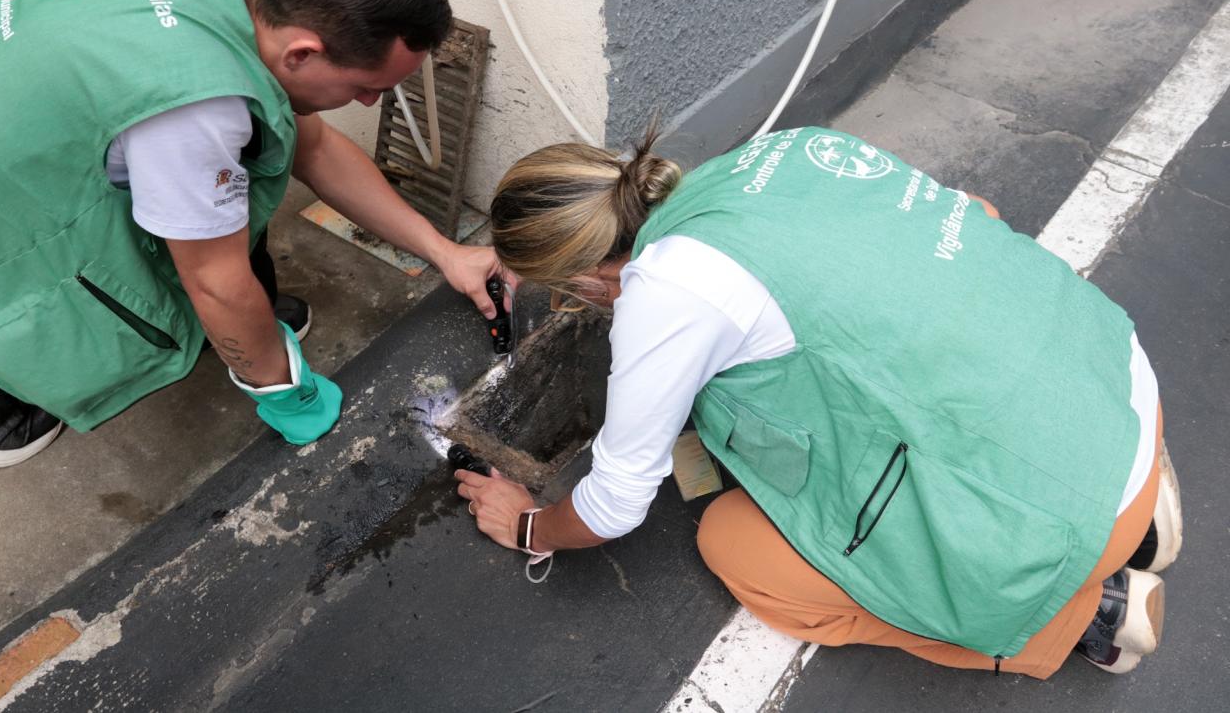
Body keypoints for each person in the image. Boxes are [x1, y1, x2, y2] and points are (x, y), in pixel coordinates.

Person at [457, 126, 1184, 677]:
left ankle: (1078, 613)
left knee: (735, 542)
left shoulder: (667, 292)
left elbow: (614, 505)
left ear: (584, 278)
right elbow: (976, 212)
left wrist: (530, 524)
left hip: (1062, 514)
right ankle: (1143, 512)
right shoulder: (781, 152)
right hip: (1115, 387)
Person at [0, 0, 505, 467]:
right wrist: (281, 388)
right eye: (366, 88)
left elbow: (313, 145)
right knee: (115, 319)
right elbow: (215, 279)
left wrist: (446, 252)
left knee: (238, 177)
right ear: (301, 51)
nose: (365, 105)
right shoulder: (194, 104)